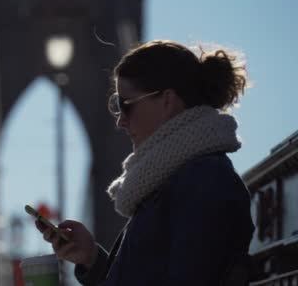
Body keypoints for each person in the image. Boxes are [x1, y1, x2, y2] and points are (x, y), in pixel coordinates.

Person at [35, 40, 255, 285]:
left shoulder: (204, 181)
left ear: (167, 101)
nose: (120, 121)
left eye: (125, 105)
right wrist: (91, 260)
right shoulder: (174, 178)